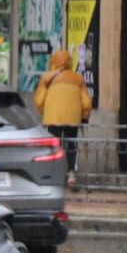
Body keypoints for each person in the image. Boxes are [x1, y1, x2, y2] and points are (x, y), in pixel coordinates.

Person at [35, 49, 92, 184]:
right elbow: (86, 102)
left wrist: (45, 112)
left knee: (54, 146)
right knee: (72, 144)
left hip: (53, 119)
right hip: (72, 118)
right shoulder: (78, 78)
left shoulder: (47, 78)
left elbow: (39, 100)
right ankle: (71, 173)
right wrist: (84, 116)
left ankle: (53, 174)